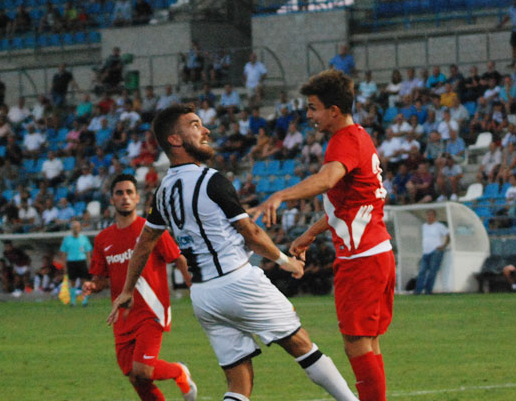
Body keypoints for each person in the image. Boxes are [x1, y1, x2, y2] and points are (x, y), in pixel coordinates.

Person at [110, 104, 358, 401]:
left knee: (238, 381)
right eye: (195, 125)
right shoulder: (211, 180)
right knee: (302, 346)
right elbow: (250, 233)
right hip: (237, 281)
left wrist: (127, 289)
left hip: (203, 296)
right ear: (175, 140)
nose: (206, 130)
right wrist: (285, 261)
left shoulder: (162, 191)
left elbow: (144, 243)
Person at [252, 69, 394, 401]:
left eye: (314, 107)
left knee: (357, 343)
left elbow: (328, 179)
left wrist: (280, 195)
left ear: (334, 110)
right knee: (366, 341)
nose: (309, 115)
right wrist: (310, 233)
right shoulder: (359, 136)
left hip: (362, 259)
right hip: (375, 254)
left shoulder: (344, 140)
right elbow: (348, 202)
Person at [83, 175, 197, 401]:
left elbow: (178, 259)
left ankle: (179, 371)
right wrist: (93, 286)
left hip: (151, 310)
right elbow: (103, 280)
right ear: (112, 200)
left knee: (143, 370)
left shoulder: (151, 229)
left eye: (129, 192)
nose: (124, 197)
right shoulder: (103, 239)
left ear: (137, 198)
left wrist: (195, 289)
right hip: (122, 316)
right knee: (135, 377)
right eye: (119, 193)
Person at [415, 209, 449, 295]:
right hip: (425, 251)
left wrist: (443, 246)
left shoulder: (439, 226)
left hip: (435, 251)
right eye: (428, 215)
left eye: (431, 215)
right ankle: (418, 290)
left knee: (432, 272)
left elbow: (448, 235)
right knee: (422, 271)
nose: (429, 217)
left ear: (434, 216)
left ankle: (428, 290)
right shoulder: (424, 226)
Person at [60, 219, 93, 306]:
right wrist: (64, 266)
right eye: (74, 227)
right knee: (72, 282)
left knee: (84, 281)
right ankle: (73, 301)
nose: (76, 229)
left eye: (77, 227)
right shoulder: (67, 239)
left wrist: (89, 263)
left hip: (81, 261)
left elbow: (88, 252)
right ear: (71, 229)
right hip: (71, 262)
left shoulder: (84, 238)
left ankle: (84, 301)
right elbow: (63, 253)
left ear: (80, 228)